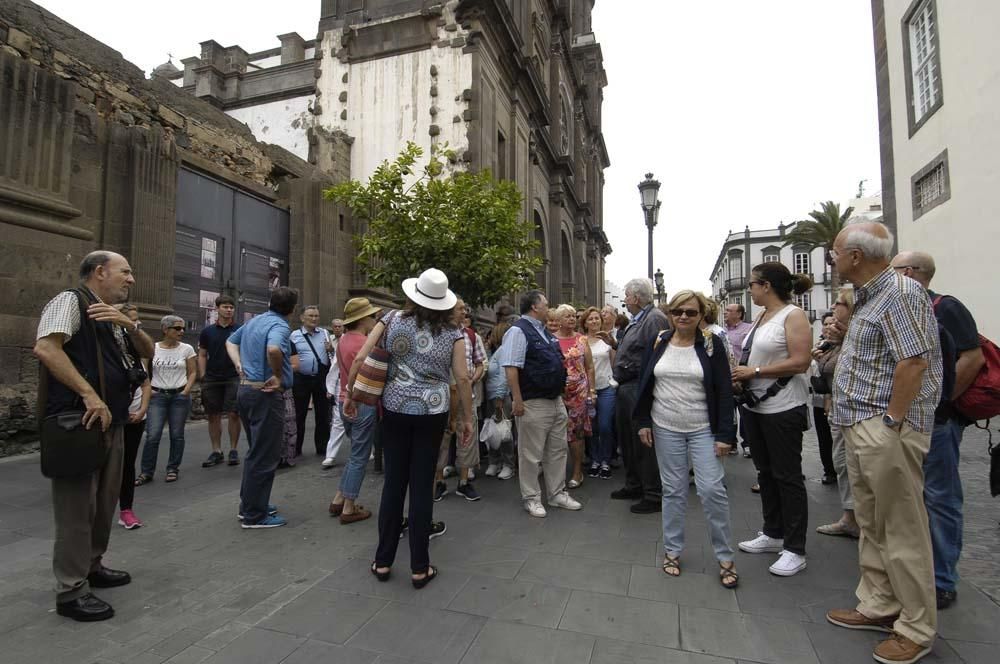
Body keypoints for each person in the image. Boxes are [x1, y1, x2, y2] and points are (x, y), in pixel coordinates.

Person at [825, 222, 942, 664]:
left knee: (902, 528)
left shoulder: (901, 292)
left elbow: (913, 362)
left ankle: (916, 627)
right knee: (873, 523)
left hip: (884, 428)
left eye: (835, 251)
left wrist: (891, 421)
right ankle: (879, 603)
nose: (831, 259)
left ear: (855, 255)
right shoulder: (870, 296)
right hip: (860, 425)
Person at [34, 251, 153, 621]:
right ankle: (71, 591)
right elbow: (46, 348)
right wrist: (88, 394)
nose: (131, 279)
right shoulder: (70, 301)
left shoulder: (112, 314)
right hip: (78, 423)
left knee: (104, 505)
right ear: (100, 272)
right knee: (76, 511)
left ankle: (92, 565)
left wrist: (130, 325)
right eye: (125, 272)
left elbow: (148, 354)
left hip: (112, 422)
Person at [348, 268, 472, 588]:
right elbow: (461, 379)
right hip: (433, 412)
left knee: (393, 484)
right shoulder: (454, 334)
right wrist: (466, 418)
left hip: (395, 407)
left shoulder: (390, 320)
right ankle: (420, 566)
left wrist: (351, 395)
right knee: (421, 486)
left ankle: (383, 561)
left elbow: (361, 358)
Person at [891, 251, 984, 611]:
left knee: (940, 497)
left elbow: (972, 358)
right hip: (908, 419)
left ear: (911, 273)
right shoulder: (904, 308)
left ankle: (942, 579)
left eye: (895, 270)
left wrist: (938, 403)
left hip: (938, 422)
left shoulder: (946, 307)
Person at [635, 291, 739, 589]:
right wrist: (643, 421)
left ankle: (725, 556)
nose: (683, 316)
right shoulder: (659, 341)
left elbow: (723, 390)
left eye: (690, 312)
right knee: (673, 491)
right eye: (678, 311)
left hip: (703, 428)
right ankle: (672, 550)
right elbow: (646, 381)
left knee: (711, 490)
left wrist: (724, 435)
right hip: (665, 426)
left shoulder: (711, 344)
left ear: (700, 315)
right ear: (670, 313)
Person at [732, 263, 813, 577]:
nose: (750, 289)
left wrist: (754, 372)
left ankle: (795, 548)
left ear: (766, 286)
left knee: (787, 476)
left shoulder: (793, 315)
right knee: (765, 472)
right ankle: (773, 531)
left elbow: (801, 361)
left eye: (753, 284)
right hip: (756, 407)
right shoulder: (763, 317)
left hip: (783, 407)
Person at [499, 290, 583, 518]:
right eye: (545, 304)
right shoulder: (518, 331)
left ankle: (556, 493)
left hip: (555, 401)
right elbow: (511, 366)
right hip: (533, 402)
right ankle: (531, 498)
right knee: (530, 454)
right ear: (535, 307)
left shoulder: (545, 332)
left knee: (557, 449)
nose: (549, 307)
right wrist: (517, 399)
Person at [225, 287, 298, 529]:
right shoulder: (280, 326)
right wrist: (277, 375)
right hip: (264, 395)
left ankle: (249, 505)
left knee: (256, 451)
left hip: (246, 390)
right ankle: (254, 515)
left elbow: (230, 342)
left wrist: (238, 364)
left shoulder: (255, 321)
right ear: (293, 309)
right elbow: (274, 349)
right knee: (265, 455)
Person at [610, 278, 670, 514]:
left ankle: (653, 494)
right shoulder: (639, 319)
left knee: (642, 442)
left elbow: (655, 355)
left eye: (626, 295)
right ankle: (634, 484)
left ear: (635, 298)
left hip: (638, 387)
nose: (624, 299)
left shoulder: (654, 318)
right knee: (627, 439)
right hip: (626, 387)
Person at [327, 298, 382, 524]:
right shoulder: (364, 343)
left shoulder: (342, 340)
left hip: (343, 402)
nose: (374, 320)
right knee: (359, 456)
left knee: (355, 454)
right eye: (371, 316)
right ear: (363, 319)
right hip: (361, 403)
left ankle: (339, 498)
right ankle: (349, 507)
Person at [814, 288, 860, 539]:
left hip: (859, 414)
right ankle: (849, 517)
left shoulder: (858, 335)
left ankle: (868, 523)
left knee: (858, 469)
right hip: (839, 408)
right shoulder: (837, 337)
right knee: (842, 463)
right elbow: (826, 368)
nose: (833, 306)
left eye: (840, 303)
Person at [434, 299, 485, 502]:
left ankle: (464, 482)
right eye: (460, 308)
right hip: (441, 397)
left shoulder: (472, 336)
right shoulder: (437, 333)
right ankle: (439, 481)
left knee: (467, 437)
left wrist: (475, 377)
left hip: (466, 396)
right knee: (440, 439)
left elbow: (480, 363)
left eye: (465, 308)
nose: (464, 311)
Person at [137, 316, 197, 484]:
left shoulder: (187, 349)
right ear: (165, 329)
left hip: (179, 395)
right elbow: (143, 369)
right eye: (177, 328)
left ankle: (172, 468)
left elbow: (193, 372)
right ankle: (146, 472)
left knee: (177, 435)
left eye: (182, 328)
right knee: (152, 435)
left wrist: (186, 390)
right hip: (157, 395)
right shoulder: (153, 347)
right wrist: (148, 388)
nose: (181, 331)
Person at [552, 304, 594, 488]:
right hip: (556, 392)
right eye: (567, 316)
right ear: (558, 320)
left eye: (573, 316)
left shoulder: (582, 340)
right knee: (555, 432)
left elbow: (590, 366)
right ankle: (555, 471)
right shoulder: (550, 340)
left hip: (579, 393)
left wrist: (592, 391)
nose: (571, 319)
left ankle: (577, 471)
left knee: (576, 432)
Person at [198, 295, 242, 468]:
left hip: (233, 377)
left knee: (234, 413)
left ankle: (233, 449)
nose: (229, 310)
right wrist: (203, 374)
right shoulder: (207, 331)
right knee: (213, 415)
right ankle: (216, 450)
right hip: (212, 378)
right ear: (217, 308)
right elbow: (202, 354)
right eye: (225, 306)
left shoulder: (239, 329)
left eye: (231, 307)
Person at [118, 305, 150, 530]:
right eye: (130, 321)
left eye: (137, 322)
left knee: (128, 463)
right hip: (112, 414)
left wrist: (142, 410)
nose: (135, 326)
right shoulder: (105, 347)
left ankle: (126, 510)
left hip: (135, 414)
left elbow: (145, 382)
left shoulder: (133, 349)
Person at [290, 305, 332, 458]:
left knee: (323, 414)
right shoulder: (294, 335)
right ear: (302, 318)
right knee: (299, 415)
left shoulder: (325, 333)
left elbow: (332, 355)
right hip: (301, 379)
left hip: (321, 378)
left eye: (316, 316)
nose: (314, 319)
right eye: (311, 316)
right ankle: (296, 448)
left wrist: (331, 349)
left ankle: (322, 447)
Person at [583, 307, 616, 479]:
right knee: (592, 427)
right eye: (591, 319)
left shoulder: (608, 340)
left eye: (597, 318)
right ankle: (595, 460)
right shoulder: (581, 341)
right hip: (587, 389)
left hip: (606, 387)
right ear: (585, 322)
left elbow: (614, 362)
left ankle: (606, 460)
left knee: (605, 426)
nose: (595, 321)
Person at [484, 320, 515, 480]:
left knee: (504, 432)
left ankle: (508, 464)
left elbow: (504, 375)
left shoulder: (504, 351)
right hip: (491, 396)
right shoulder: (498, 350)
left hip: (499, 396)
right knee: (492, 431)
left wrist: (499, 397)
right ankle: (494, 462)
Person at [810, 313, 838, 485]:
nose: (828, 327)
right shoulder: (818, 345)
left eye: (831, 323)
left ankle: (838, 469)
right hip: (818, 398)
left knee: (835, 436)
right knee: (823, 436)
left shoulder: (838, 346)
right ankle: (829, 469)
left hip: (833, 398)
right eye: (825, 324)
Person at [724, 303, 754, 457]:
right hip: (726, 378)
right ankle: (731, 443)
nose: (725, 312)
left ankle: (747, 444)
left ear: (739, 314)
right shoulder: (722, 331)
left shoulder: (748, 330)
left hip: (742, 377)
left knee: (744, 412)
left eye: (729, 310)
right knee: (728, 412)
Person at [322, 318, 348, 469]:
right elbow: (335, 367)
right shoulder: (336, 342)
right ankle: (330, 455)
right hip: (340, 384)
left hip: (356, 384)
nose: (338, 328)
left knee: (359, 420)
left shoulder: (355, 340)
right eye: (335, 326)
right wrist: (330, 388)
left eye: (341, 326)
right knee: (338, 420)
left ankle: (366, 449)